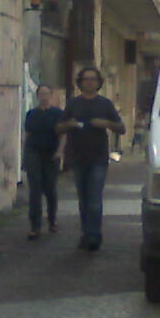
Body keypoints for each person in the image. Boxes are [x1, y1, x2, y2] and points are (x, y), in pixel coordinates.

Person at [59, 67, 125, 252]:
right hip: (78, 157)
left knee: (94, 199)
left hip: (98, 158)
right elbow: (59, 128)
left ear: (98, 83)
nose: (89, 82)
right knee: (83, 200)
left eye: (93, 79)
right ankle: (86, 234)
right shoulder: (73, 104)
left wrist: (107, 124)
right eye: (86, 79)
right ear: (80, 83)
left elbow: (121, 128)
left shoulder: (105, 104)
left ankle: (94, 236)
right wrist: (69, 125)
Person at [23, 84, 65, 240]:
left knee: (50, 188)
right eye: (41, 94)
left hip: (51, 154)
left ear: (51, 95)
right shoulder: (31, 114)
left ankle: (52, 220)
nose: (44, 97)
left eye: (46, 94)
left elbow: (63, 135)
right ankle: (35, 226)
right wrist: (25, 156)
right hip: (34, 152)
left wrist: (60, 152)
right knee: (35, 190)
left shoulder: (57, 113)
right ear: (37, 96)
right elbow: (27, 135)